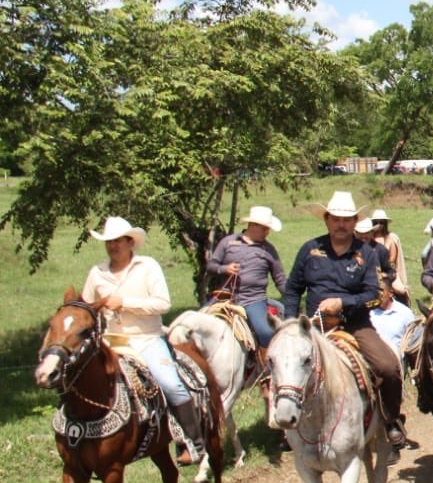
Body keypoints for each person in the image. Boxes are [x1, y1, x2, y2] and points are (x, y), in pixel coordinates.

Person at [283, 191, 407, 449]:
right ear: (327, 219)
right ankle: (285, 423)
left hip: (355, 323)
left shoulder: (367, 252)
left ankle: (391, 418)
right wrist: (290, 324)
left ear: (354, 222)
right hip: (314, 324)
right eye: (336, 218)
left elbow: (374, 294)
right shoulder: (309, 250)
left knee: (388, 367)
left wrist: (343, 302)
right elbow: (293, 288)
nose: (341, 224)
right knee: (283, 365)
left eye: (347, 219)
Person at [82, 217, 205, 464]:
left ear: (130, 242)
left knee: (170, 384)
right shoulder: (97, 273)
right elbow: (86, 307)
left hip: (147, 339)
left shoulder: (148, 266)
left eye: (118, 241)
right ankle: (83, 438)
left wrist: (125, 303)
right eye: (109, 242)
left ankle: (192, 442)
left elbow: (163, 303)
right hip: (111, 342)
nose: (113, 246)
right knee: (82, 379)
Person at [206, 206, 287, 350]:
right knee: (196, 323)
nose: (267, 232)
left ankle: (266, 366)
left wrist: (292, 297)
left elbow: (280, 279)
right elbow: (211, 265)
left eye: (267, 229)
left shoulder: (269, 250)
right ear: (252, 225)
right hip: (225, 297)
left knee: (266, 332)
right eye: (264, 228)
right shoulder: (228, 242)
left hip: (253, 299)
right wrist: (225, 269)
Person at [367, 209, 409, 302]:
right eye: (376, 222)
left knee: (400, 290)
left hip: (387, 271)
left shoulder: (391, 238)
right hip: (369, 271)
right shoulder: (368, 238)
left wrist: (384, 274)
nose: (379, 225)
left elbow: (392, 261)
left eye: (381, 222)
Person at [370, 282, 416, 354]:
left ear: (391, 293)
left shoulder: (405, 314)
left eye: (381, 290)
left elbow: (414, 341)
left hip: (397, 361)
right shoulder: (368, 313)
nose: (378, 294)